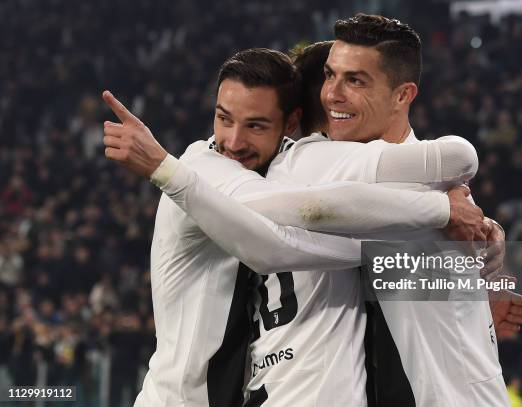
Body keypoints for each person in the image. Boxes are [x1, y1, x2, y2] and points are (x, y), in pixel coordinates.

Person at [102, 48, 491, 406]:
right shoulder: (203, 167)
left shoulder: (286, 173)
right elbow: (280, 237)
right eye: (224, 119)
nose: (233, 141)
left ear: (289, 125)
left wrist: (484, 254)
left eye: (255, 126)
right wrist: (436, 215)